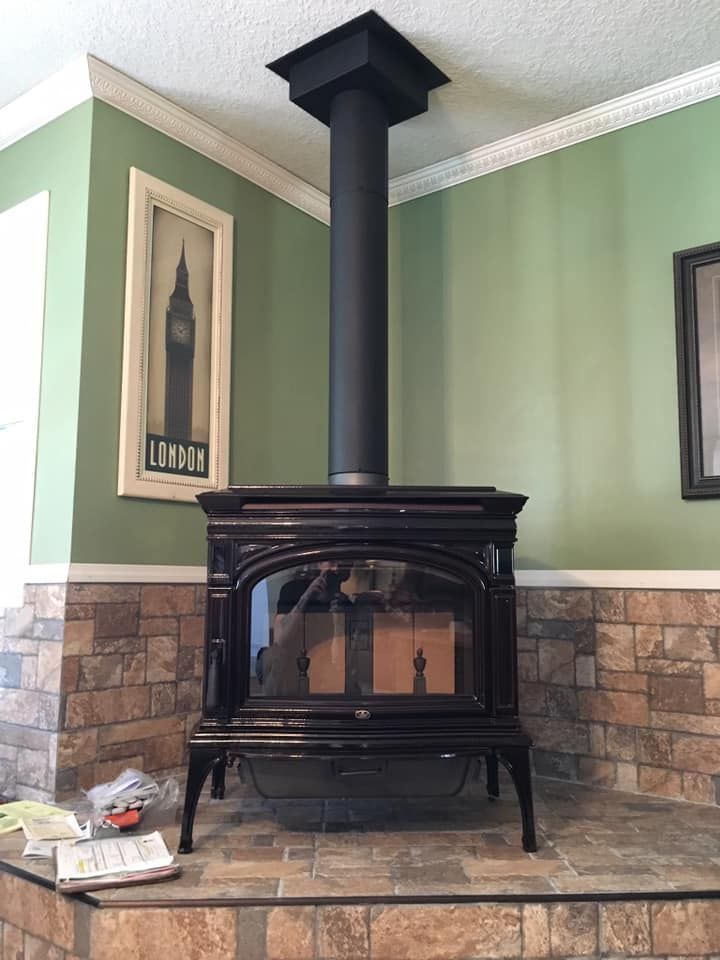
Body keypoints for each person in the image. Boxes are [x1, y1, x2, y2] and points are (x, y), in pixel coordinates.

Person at [257, 561, 352, 696]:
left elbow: (338, 658)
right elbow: (280, 640)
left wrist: (342, 617)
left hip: (321, 665)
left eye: (341, 564)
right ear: (318, 564)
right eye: (330, 563)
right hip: (287, 666)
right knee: (276, 658)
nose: (335, 569)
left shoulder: (342, 603)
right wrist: (306, 598)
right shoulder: (292, 590)